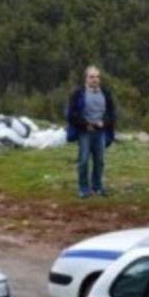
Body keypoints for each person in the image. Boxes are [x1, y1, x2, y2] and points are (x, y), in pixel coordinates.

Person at [65, 65, 117, 198]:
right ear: (86, 78)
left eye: (97, 77)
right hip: (85, 132)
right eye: (92, 77)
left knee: (99, 161)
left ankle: (97, 187)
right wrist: (85, 124)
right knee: (83, 160)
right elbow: (71, 113)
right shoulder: (78, 93)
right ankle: (83, 188)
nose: (95, 79)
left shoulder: (105, 93)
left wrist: (104, 123)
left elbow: (112, 113)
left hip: (100, 132)